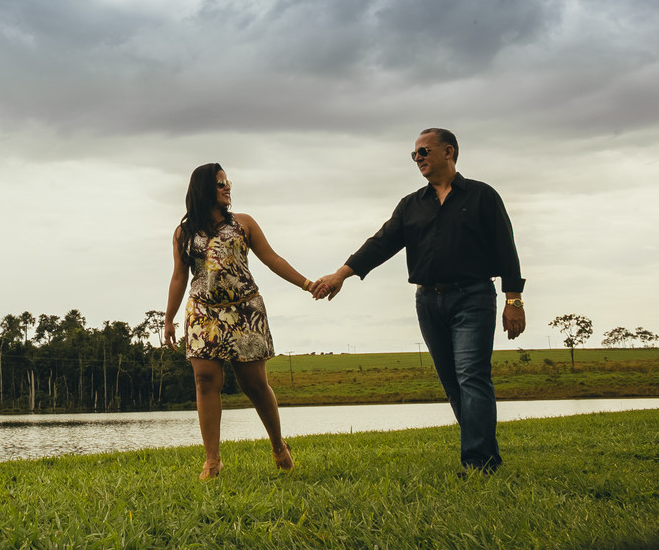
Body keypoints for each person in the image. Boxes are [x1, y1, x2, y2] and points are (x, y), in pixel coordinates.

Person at [312, 128, 526, 474]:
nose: (418, 158)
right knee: (452, 381)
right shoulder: (412, 205)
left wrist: (513, 301)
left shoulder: (483, 196)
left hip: (473, 297)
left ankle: (478, 462)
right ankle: (483, 453)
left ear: (449, 151)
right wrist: (341, 274)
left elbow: (506, 247)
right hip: (428, 301)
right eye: (414, 155)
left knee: (472, 375)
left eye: (424, 151)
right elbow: (380, 243)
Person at [164, 162, 316, 479]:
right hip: (203, 313)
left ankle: (278, 446)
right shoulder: (184, 233)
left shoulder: (244, 224)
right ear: (204, 189)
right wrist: (169, 320)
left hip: (245, 310)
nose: (227, 187)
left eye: (227, 182)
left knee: (255, 385)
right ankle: (212, 461)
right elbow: (179, 278)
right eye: (220, 183)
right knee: (206, 380)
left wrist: (306, 284)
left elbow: (272, 258)